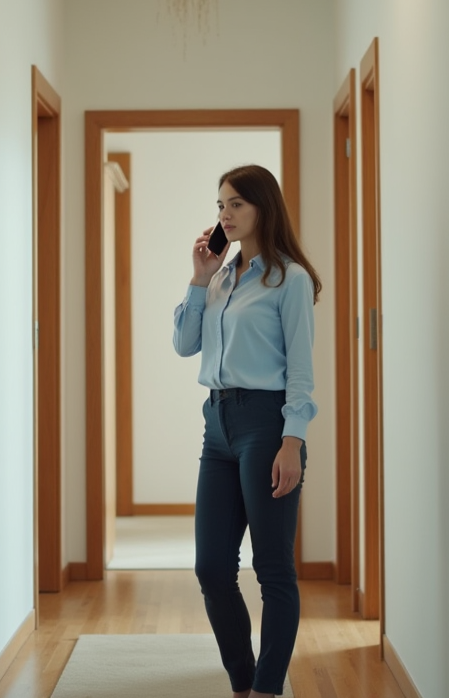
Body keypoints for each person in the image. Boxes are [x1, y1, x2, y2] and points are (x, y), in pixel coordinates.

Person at [172, 164, 322, 698]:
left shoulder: (290, 279)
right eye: (220, 206)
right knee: (212, 567)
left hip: (266, 423)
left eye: (236, 204)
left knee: (273, 569)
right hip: (216, 425)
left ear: (263, 208)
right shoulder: (218, 276)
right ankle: (243, 681)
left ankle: (266, 689)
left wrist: (292, 441)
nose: (225, 215)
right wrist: (197, 277)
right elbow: (185, 345)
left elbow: (301, 372)